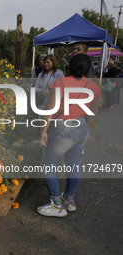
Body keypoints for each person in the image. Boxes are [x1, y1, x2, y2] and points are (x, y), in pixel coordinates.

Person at [37, 54, 101, 217]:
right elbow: (92, 116)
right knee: (73, 166)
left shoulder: (61, 83)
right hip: (82, 128)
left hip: (62, 129)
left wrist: (43, 131)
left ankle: (56, 205)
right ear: (89, 69)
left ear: (69, 66)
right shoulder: (94, 88)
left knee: (48, 165)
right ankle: (69, 200)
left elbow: (49, 110)